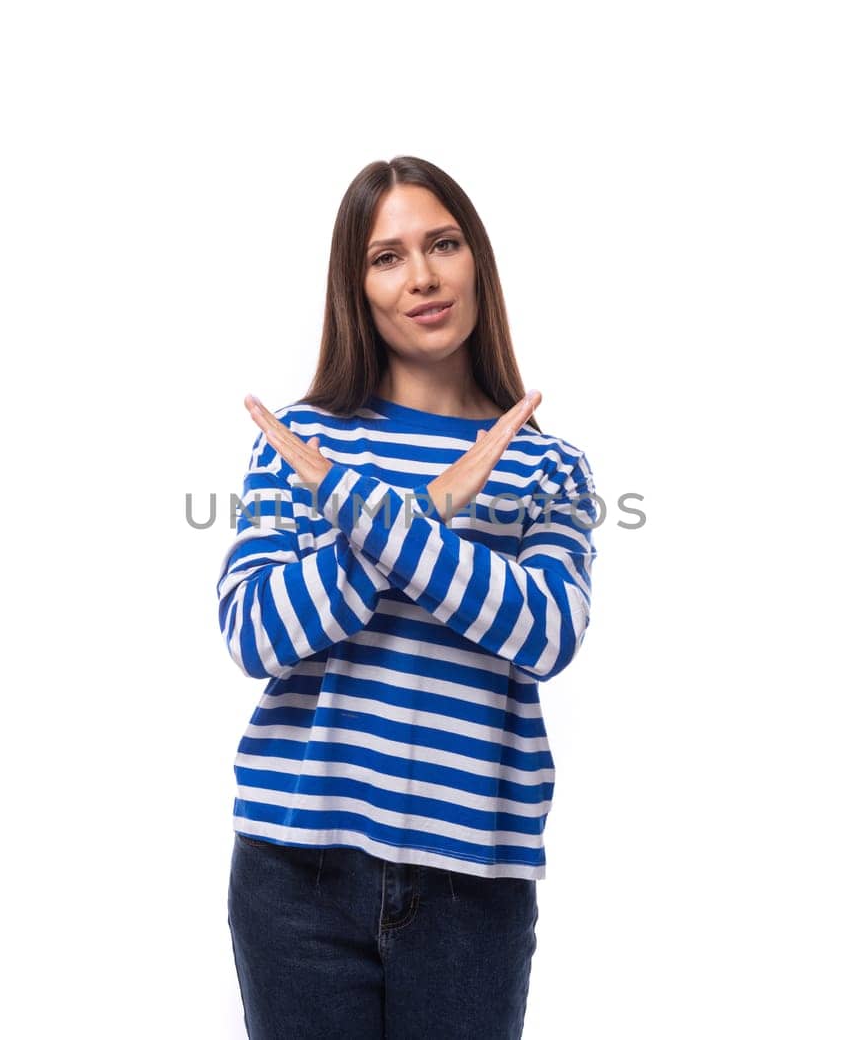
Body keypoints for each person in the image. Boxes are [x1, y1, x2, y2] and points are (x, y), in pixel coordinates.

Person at [215, 155, 600, 1039]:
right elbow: (253, 629)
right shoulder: (299, 439)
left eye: (443, 244)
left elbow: (542, 631)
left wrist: (364, 512)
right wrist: (430, 509)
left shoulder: (545, 464)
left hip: (475, 884)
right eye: (387, 257)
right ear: (358, 287)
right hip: (293, 872)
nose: (422, 276)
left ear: (478, 263)